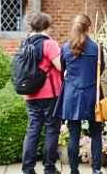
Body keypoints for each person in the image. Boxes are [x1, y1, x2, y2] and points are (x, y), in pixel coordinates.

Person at [55, 14, 104, 174]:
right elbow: (100, 70)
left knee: (74, 134)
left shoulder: (65, 47)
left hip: (72, 94)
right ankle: (96, 169)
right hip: (92, 93)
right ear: (88, 27)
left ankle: (74, 170)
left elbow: (62, 70)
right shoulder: (97, 48)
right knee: (96, 133)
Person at [20, 12, 63, 174]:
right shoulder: (49, 44)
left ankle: (27, 169)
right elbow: (60, 66)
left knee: (32, 130)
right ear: (46, 26)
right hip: (50, 94)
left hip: (30, 94)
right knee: (51, 130)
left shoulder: (25, 43)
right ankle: (49, 168)